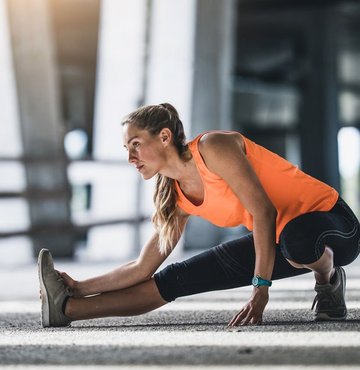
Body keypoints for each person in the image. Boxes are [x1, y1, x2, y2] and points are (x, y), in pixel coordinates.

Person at [38, 103, 360, 328]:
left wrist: (260, 289)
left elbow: (264, 210)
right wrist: (78, 287)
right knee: (175, 279)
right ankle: (66, 310)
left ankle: (327, 279)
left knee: (297, 241)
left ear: (164, 137)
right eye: (126, 149)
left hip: (332, 223)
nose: (131, 158)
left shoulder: (212, 148)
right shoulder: (177, 197)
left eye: (136, 145)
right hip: (278, 236)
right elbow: (142, 268)